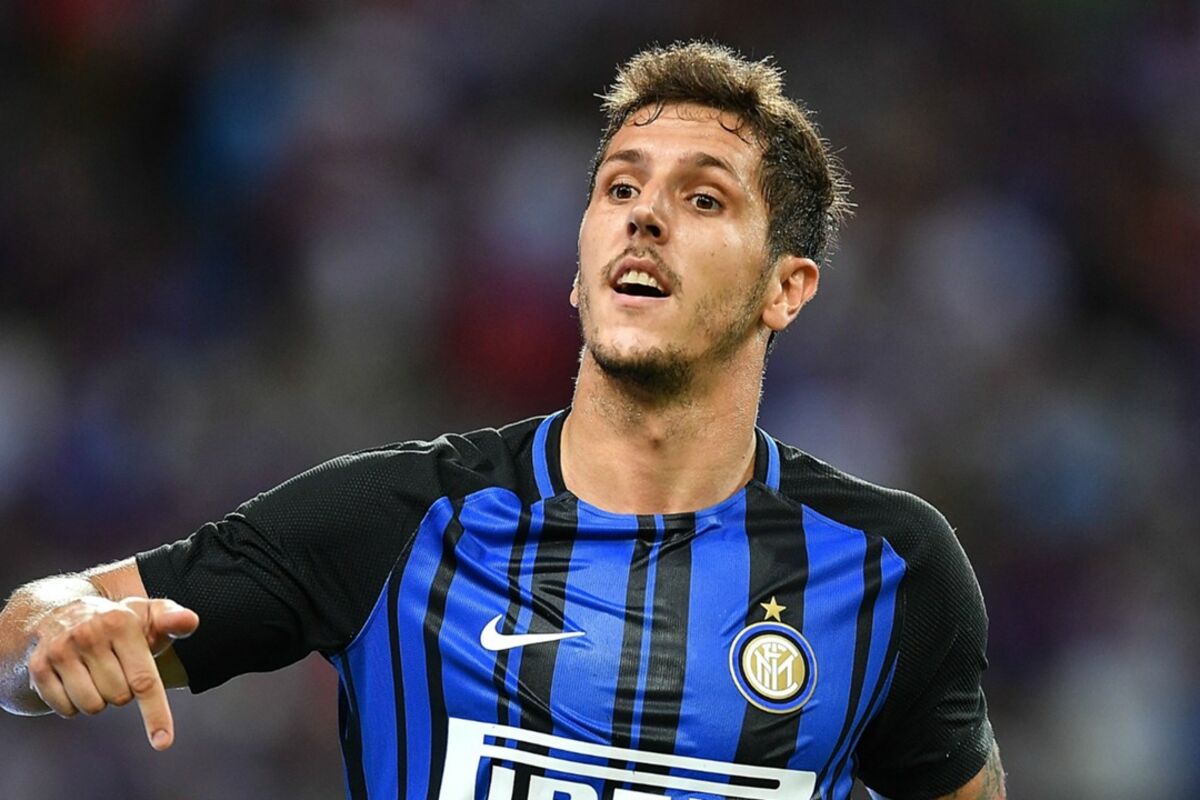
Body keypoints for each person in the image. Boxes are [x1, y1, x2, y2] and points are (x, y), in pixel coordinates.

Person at [0, 41, 1005, 800]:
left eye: (703, 198)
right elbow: (27, 633)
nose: (644, 215)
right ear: (579, 266)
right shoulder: (395, 522)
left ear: (786, 288)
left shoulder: (892, 570)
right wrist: (54, 630)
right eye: (620, 186)